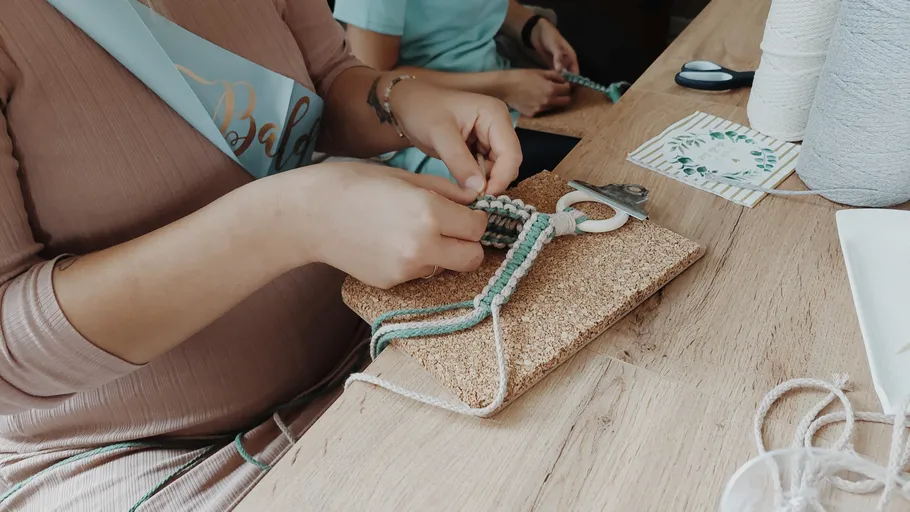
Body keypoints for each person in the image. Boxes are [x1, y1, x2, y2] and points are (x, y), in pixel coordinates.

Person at [0, 1, 522, 510]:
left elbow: (325, 78)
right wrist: (292, 219)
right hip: (149, 457)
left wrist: (400, 100)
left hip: (370, 340)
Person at [334, 0, 583, 182]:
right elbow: (371, 85)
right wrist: (504, 87)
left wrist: (531, 26)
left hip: (504, 98)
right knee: (577, 163)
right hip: (425, 137)